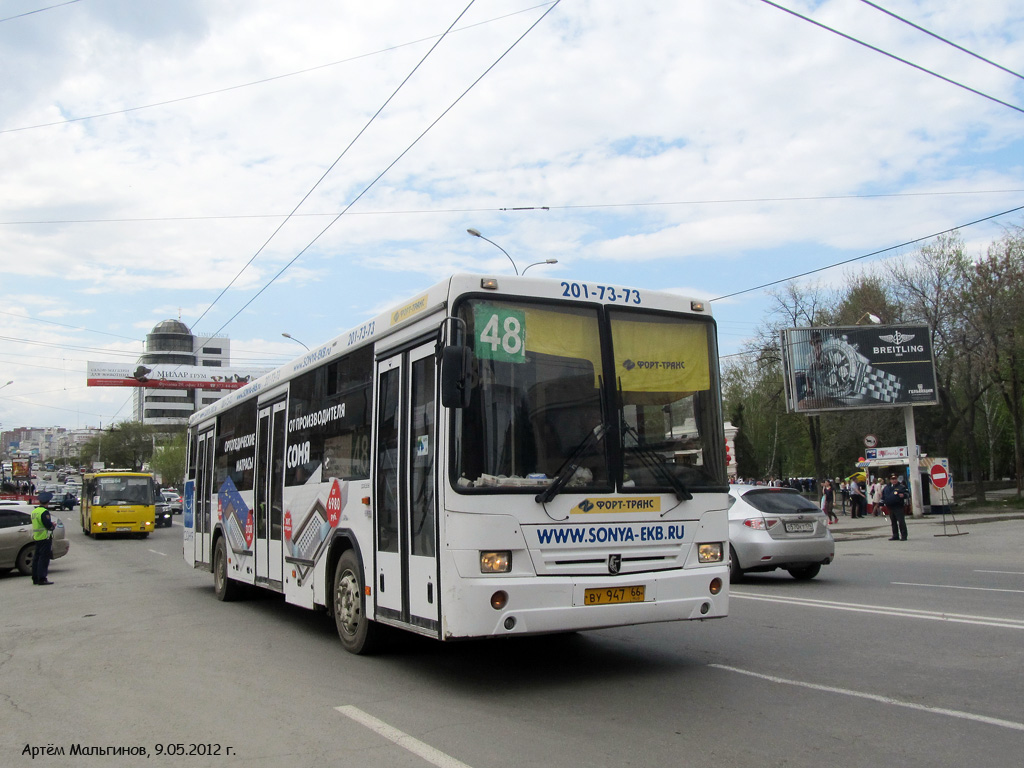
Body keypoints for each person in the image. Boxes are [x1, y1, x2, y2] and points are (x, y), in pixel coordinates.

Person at [31, 491, 56, 585]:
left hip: (37, 537)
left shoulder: (34, 511)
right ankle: (42, 578)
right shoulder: (44, 512)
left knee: (36, 559)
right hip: (45, 538)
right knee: (44, 559)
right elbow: (48, 525)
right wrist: (52, 526)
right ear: (47, 502)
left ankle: (35, 578)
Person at [882, 473, 910, 541]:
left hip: (898, 506)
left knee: (901, 521)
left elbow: (907, 494)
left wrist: (903, 495)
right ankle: (895, 535)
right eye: (892, 479)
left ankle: (904, 535)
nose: (894, 480)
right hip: (890, 506)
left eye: (895, 479)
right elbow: (883, 496)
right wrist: (882, 503)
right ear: (890, 480)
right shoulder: (887, 487)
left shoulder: (901, 486)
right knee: (893, 522)